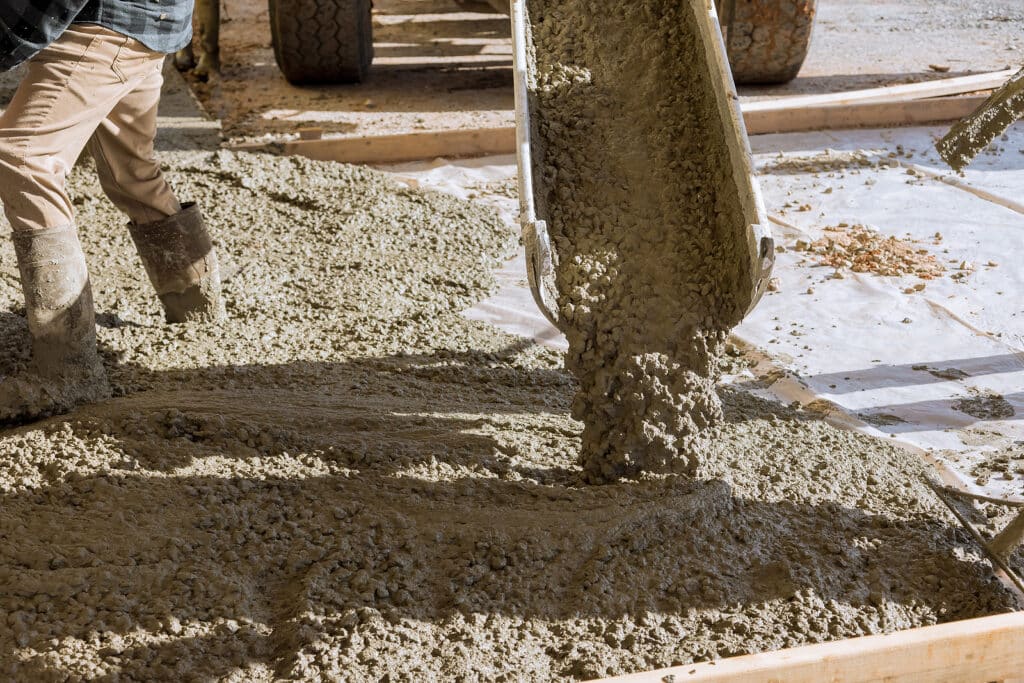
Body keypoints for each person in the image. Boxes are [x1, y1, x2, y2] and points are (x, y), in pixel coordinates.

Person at [0, 0, 224, 423]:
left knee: (22, 156)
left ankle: (67, 370)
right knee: (131, 172)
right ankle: (197, 307)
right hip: (151, 23)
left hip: (105, 26)